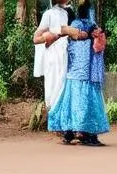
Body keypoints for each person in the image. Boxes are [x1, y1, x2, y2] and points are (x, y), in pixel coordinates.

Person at [47, 2, 110, 147]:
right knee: (88, 103)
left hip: (75, 70)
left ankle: (69, 133)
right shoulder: (91, 25)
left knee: (71, 101)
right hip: (87, 72)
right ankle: (87, 134)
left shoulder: (74, 24)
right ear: (89, 12)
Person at [33, 1, 80, 140]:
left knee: (65, 89)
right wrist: (49, 37)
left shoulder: (68, 13)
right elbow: (35, 38)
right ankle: (58, 126)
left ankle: (68, 128)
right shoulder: (48, 14)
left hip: (67, 54)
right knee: (54, 89)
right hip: (53, 57)